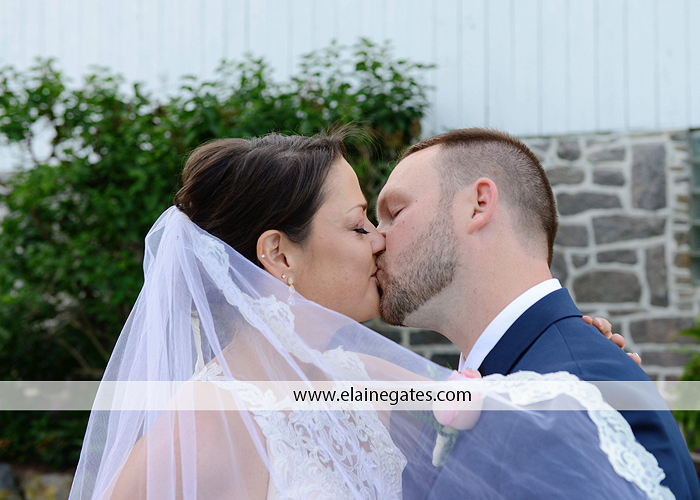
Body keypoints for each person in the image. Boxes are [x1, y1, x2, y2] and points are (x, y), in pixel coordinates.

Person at [68, 131, 666, 500]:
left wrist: (580, 364)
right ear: (280, 255)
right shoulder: (202, 426)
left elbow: (499, 406)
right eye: (359, 225)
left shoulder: (364, 378)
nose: (380, 241)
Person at [376, 127, 700, 499]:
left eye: (394, 212)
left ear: (478, 204)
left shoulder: (568, 398)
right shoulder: (532, 378)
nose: (376, 239)